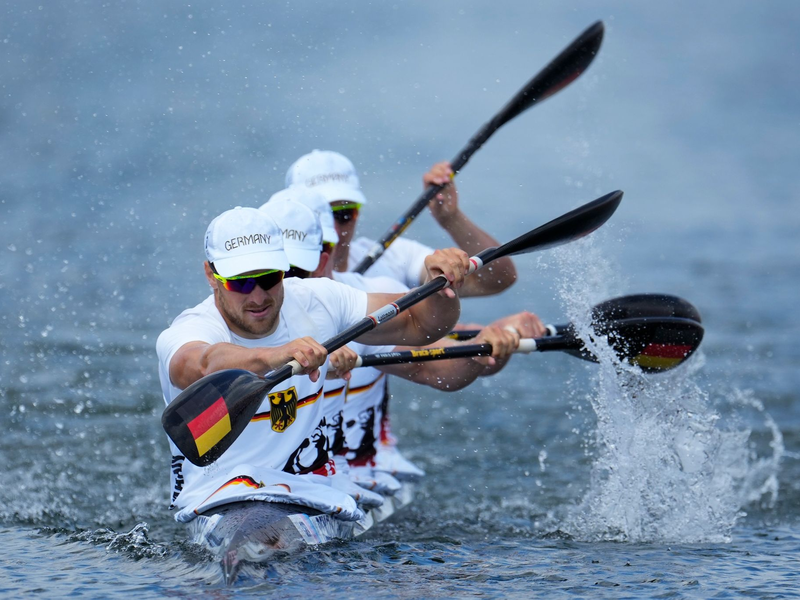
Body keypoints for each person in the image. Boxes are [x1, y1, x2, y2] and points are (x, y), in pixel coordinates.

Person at [156, 206, 472, 523]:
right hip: (218, 500)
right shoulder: (191, 329)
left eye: (268, 277)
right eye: (239, 283)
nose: (256, 297)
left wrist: (441, 290)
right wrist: (272, 354)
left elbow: (421, 325)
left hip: (311, 492)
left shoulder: (319, 300)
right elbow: (198, 364)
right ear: (211, 275)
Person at [260, 193, 546, 492]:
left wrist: (480, 348)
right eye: (268, 276)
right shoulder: (227, 315)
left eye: (294, 272)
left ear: (324, 257)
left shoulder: (354, 304)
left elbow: (436, 369)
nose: (285, 286)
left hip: (350, 473)